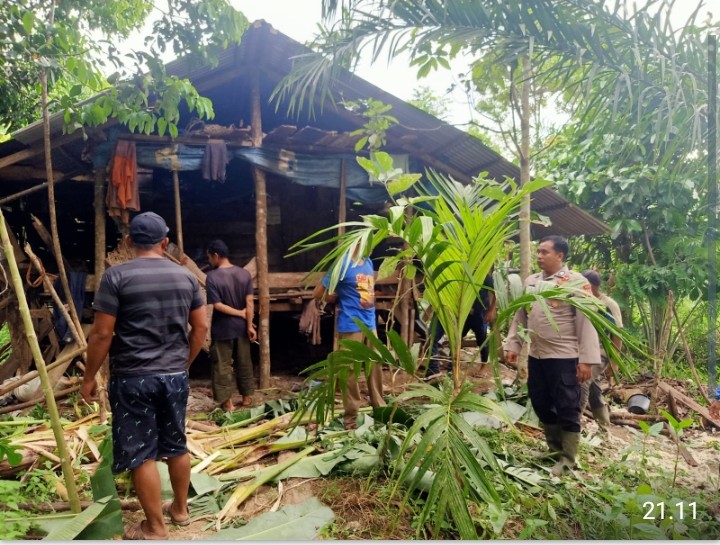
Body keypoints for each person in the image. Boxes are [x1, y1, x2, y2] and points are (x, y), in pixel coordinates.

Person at [80, 212, 208, 540]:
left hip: (133, 377)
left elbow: (102, 334)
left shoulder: (116, 276)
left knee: (141, 452)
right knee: (176, 445)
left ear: (127, 242)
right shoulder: (186, 278)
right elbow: (201, 328)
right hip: (174, 375)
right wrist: (185, 363)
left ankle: (155, 527)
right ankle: (180, 509)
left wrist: (89, 376)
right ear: (165, 243)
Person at [504, 235, 601, 476]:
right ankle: (554, 449)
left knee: (567, 405)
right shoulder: (532, 282)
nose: (539, 256)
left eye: (544, 252)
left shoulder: (576, 282)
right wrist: (513, 345)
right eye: (537, 251)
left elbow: (586, 322)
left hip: (564, 356)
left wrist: (586, 360)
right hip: (537, 355)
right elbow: (520, 316)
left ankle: (568, 459)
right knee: (541, 402)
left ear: (560, 255)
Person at [313, 249, 386, 429]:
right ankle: (351, 417)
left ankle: (381, 410)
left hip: (370, 325)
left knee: (375, 367)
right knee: (349, 372)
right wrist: (336, 298)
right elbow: (318, 292)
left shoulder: (368, 261)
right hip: (351, 325)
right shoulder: (342, 264)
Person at [206, 239, 257, 411]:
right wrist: (249, 324)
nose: (209, 261)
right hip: (242, 327)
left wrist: (238, 313)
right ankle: (247, 397)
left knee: (222, 364)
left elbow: (218, 305)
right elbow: (250, 302)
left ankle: (227, 402)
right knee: (244, 361)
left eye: (209, 257)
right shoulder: (244, 274)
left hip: (222, 328)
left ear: (216, 255)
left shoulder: (212, 277)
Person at [426, 273, 497, 377]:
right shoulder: (460, 274)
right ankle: (450, 366)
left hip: (480, 313)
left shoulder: (484, 275)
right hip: (464, 314)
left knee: (482, 341)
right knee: (456, 339)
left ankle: (483, 367)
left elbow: (496, 293)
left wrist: (491, 310)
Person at [580, 270, 623, 430]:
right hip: (583, 352)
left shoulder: (608, 305)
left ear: (592, 286)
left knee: (581, 384)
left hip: (600, 354)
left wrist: (614, 361)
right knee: (594, 391)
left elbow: (617, 334)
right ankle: (605, 429)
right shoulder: (581, 300)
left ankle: (573, 425)